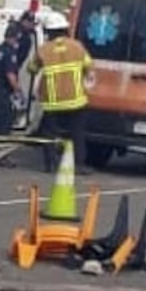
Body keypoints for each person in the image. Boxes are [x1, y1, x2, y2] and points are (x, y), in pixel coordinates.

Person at [29, 11, 94, 174]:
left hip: (53, 101)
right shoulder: (77, 47)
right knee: (77, 134)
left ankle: (50, 164)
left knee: (49, 134)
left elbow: (31, 68)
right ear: (65, 29)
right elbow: (89, 66)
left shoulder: (44, 50)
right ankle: (78, 165)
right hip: (75, 100)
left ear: (48, 32)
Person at [0, 21, 24, 137]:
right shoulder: (10, 53)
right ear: (15, 37)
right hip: (1, 93)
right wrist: (19, 91)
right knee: (3, 126)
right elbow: (10, 75)